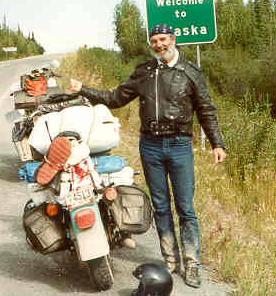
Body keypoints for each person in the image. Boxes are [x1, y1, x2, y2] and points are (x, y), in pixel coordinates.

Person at [69, 23, 226, 288]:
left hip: (179, 145)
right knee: (161, 207)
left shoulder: (190, 72)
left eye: (163, 39)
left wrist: (217, 144)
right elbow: (115, 98)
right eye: (154, 41)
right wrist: (83, 88)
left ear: (173, 40)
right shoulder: (144, 72)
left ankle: (192, 263)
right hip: (150, 146)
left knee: (185, 208)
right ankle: (170, 261)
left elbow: (206, 110)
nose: (159, 45)